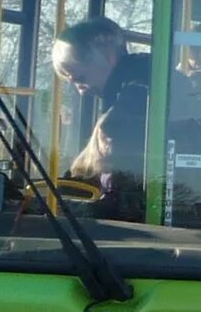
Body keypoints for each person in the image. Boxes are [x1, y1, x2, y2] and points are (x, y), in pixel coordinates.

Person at [49, 16, 152, 219]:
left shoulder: (136, 99)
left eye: (80, 79)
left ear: (108, 55)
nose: (81, 91)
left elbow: (120, 193)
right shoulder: (136, 85)